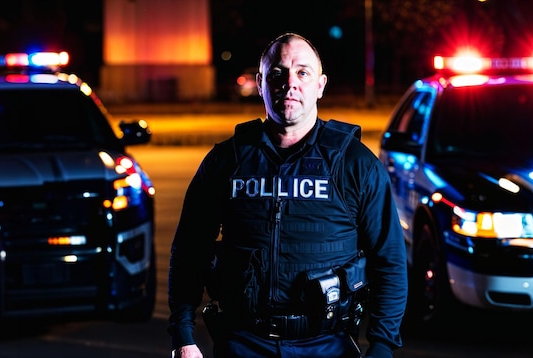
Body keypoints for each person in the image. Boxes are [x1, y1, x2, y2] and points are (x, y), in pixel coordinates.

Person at [168, 32, 407, 358]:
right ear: (261, 83)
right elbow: (190, 250)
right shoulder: (227, 162)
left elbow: (389, 260)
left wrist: (382, 346)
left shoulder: (354, 163)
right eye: (277, 73)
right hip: (243, 343)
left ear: (320, 85)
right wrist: (183, 334)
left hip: (329, 345)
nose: (290, 83)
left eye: (302, 72)